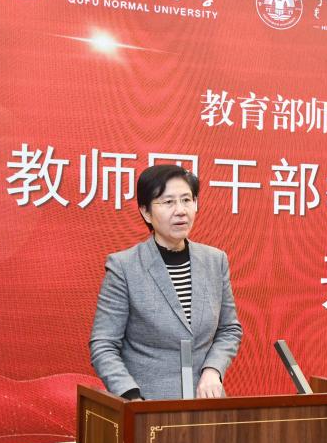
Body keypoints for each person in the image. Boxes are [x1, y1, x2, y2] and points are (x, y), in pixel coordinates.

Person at [89, 164, 242, 399]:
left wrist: (213, 370)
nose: (180, 210)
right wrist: (131, 396)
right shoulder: (124, 267)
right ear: (146, 212)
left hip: (208, 402)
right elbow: (103, 345)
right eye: (168, 202)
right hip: (147, 404)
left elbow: (229, 329)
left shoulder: (215, 260)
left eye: (186, 200)